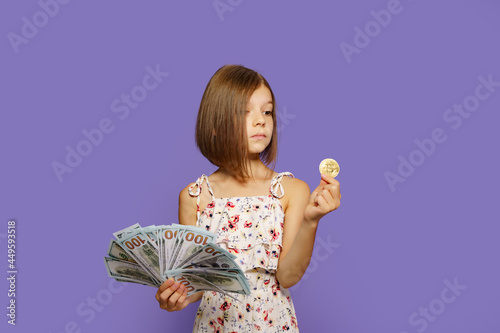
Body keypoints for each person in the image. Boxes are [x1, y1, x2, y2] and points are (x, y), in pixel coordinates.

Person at [155, 64, 341, 332]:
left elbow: (288, 276)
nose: (260, 120)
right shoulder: (194, 196)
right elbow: (196, 285)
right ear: (215, 123)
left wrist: (311, 221)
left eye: (267, 111)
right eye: (245, 112)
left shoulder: (290, 190)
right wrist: (175, 296)